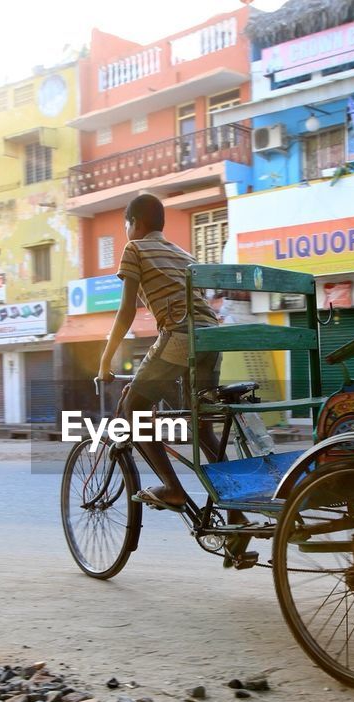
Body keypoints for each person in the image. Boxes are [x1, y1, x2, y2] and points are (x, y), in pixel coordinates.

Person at [96, 193, 227, 510]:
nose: (127, 231)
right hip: (212, 340)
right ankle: (235, 510)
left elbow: (126, 311)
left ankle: (172, 488)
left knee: (133, 410)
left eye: (126, 224)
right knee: (203, 428)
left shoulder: (134, 248)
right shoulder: (184, 254)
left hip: (180, 337)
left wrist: (104, 360)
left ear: (135, 224)